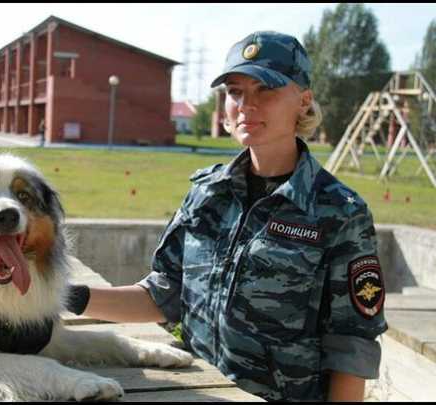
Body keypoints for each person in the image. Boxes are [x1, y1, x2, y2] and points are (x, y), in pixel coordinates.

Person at [66, 31, 387, 402]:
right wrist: (68, 297)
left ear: (304, 101)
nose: (246, 105)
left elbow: (350, 349)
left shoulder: (340, 212)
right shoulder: (207, 193)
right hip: (200, 393)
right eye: (236, 92)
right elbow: (163, 296)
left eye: (265, 89)